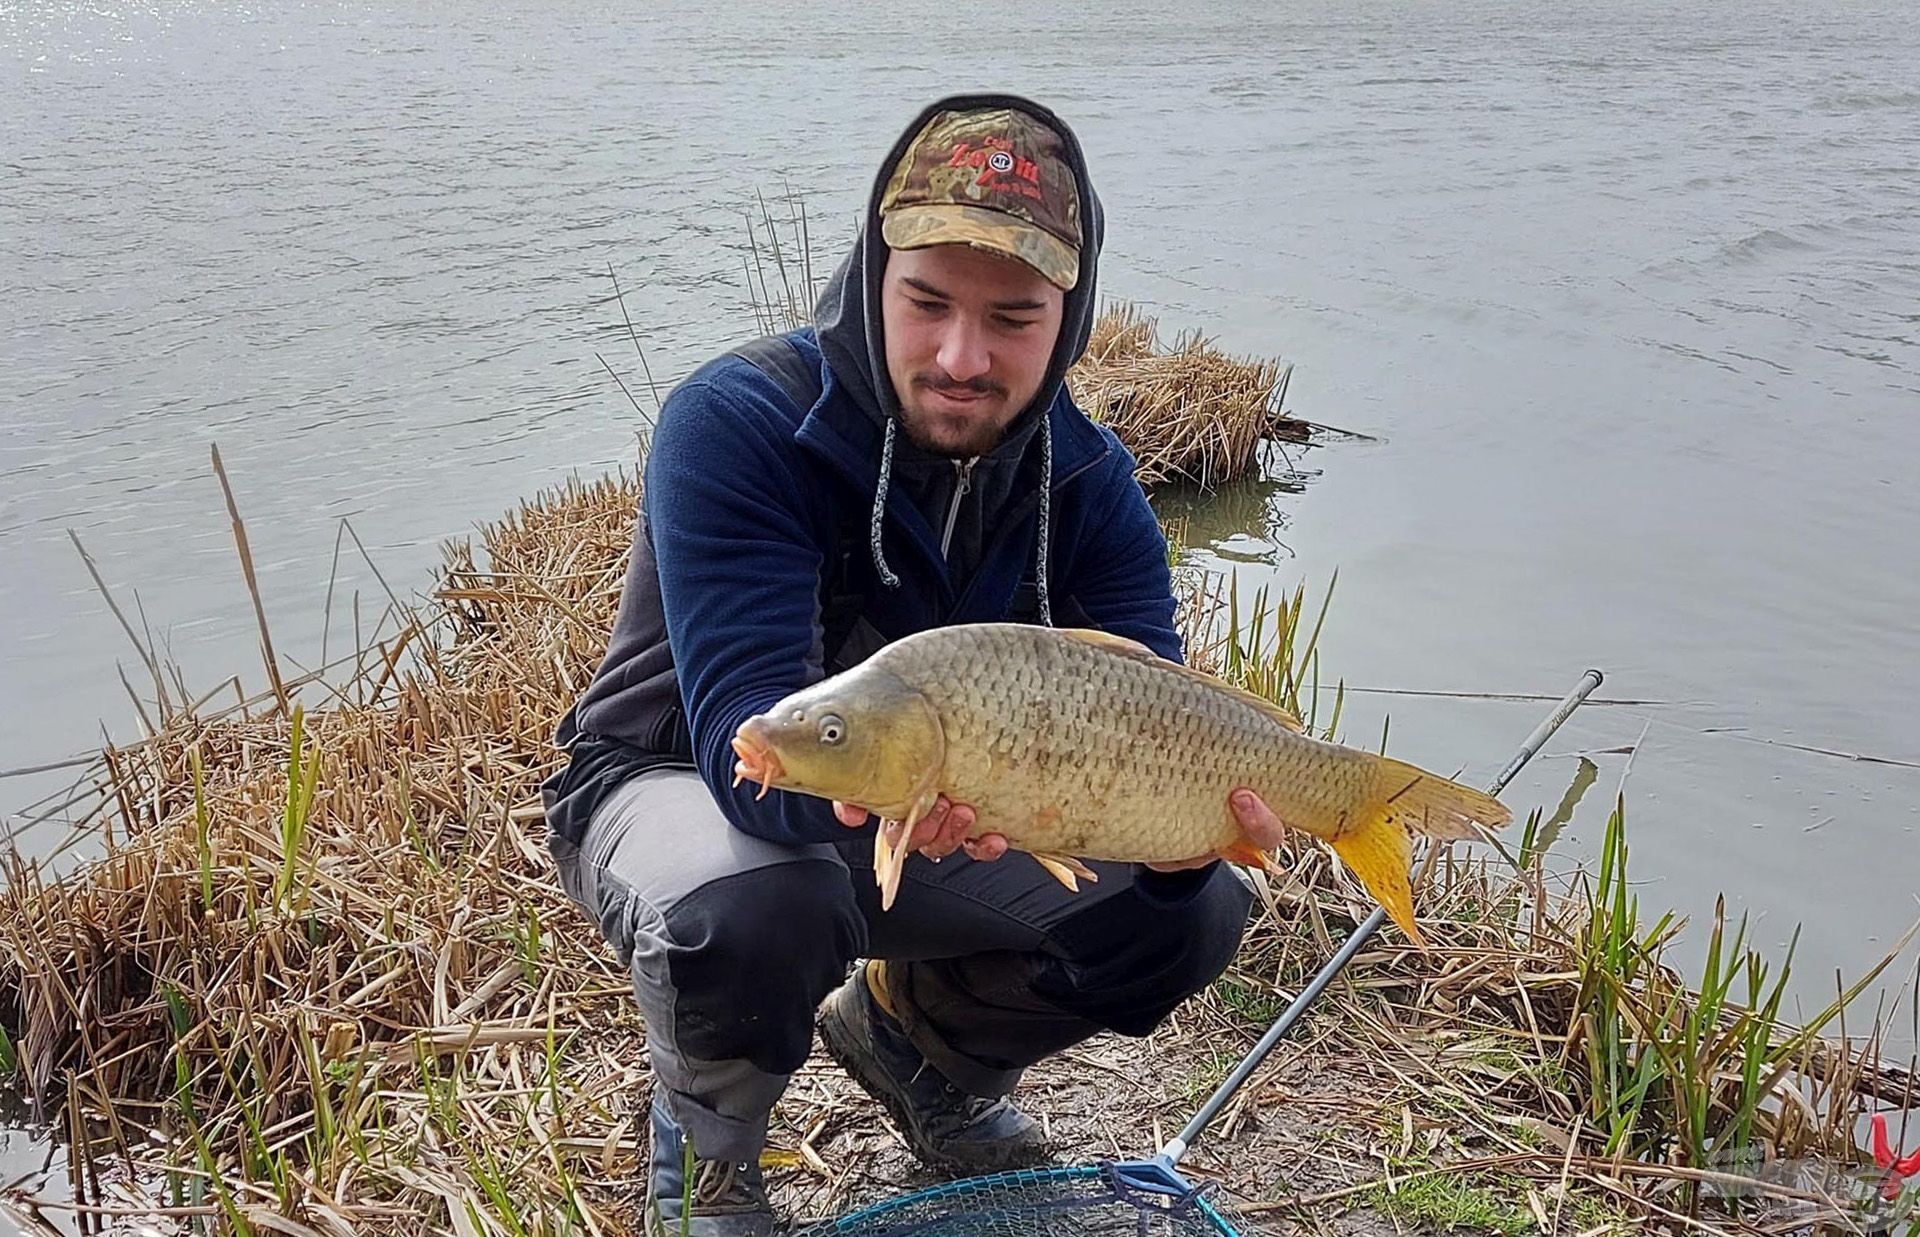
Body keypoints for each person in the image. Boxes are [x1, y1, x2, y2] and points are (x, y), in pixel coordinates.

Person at [541, 93, 1286, 1236]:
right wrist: (921, 794)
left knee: (1189, 918)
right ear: (871, 279)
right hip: (677, 782)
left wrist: (1198, 839)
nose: (960, 355)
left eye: (1013, 318)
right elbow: (750, 736)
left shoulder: (1094, 494)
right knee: (761, 903)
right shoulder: (738, 423)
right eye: (927, 303)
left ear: (1069, 320)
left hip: (942, 808)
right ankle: (710, 1168)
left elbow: (1155, 740)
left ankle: (918, 1047)